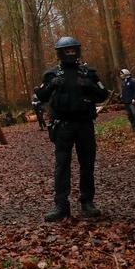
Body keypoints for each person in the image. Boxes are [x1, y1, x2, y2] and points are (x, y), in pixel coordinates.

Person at [35, 36, 108, 222]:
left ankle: (87, 202)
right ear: (59, 53)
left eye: (72, 50)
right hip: (62, 126)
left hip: (85, 125)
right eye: (66, 51)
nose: (70, 53)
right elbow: (41, 95)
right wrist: (52, 85)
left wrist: (89, 85)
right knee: (61, 166)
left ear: (78, 50)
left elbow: (103, 94)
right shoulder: (51, 74)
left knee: (87, 164)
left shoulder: (88, 72)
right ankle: (61, 205)